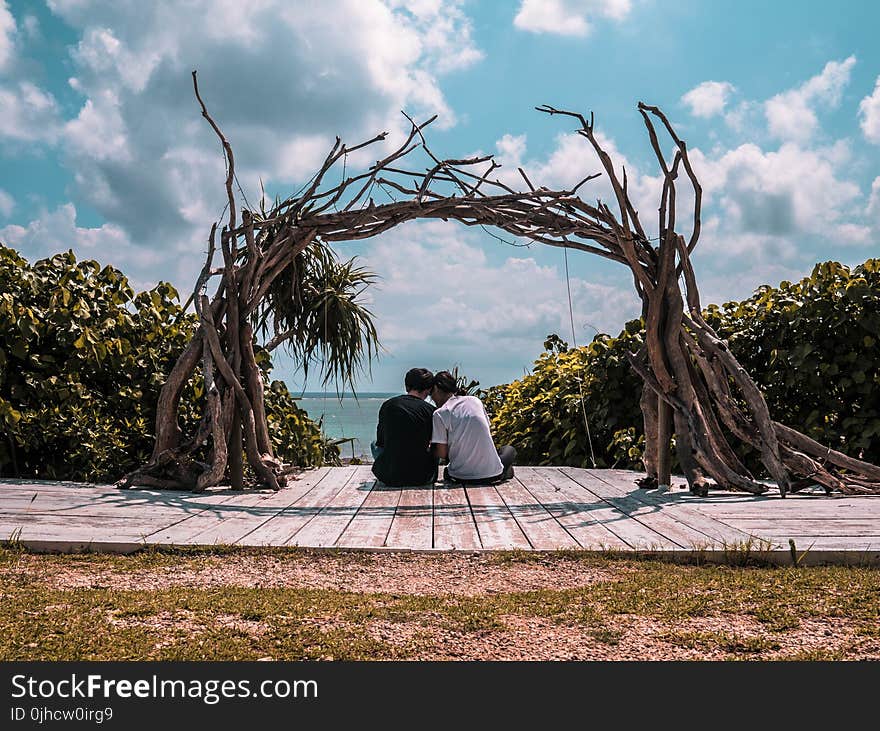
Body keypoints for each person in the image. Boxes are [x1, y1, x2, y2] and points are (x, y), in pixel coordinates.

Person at [430, 370, 516, 484]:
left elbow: (442, 453)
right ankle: (504, 471)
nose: (431, 398)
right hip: (492, 475)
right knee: (509, 450)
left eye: (431, 393)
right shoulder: (475, 401)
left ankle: (504, 471)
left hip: (459, 477)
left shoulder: (440, 413)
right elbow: (484, 431)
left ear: (436, 389)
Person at [371, 368, 438, 487]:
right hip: (422, 477)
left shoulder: (388, 405)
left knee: (374, 443)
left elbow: (381, 441)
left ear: (407, 387)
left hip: (390, 476)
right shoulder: (431, 411)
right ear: (429, 389)